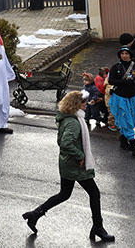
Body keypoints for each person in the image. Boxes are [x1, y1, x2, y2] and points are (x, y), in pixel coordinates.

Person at [22, 90, 114, 242]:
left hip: (67, 163)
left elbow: (61, 142)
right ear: (76, 104)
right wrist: (81, 155)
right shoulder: (73, 122)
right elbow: (65, 143)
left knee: (64, 194)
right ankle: (98, 228)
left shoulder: (68, 118)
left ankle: (35, 214)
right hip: (75, 165)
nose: (86, 105)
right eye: (83, 103)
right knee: (94, 193)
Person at [107, 46, 135, 154]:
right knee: (125, 119)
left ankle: (123, 140)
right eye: (122, 54)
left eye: (126, 54)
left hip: (133, 97)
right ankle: (133, 144)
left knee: (132, 119)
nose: (124, 56)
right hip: (120, 98)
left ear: (130, 55)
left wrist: (134, 82)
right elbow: (111, 81)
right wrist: (124, 82)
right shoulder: (115, 67)